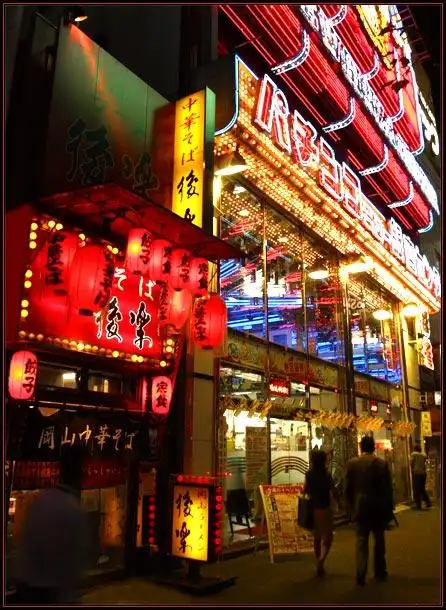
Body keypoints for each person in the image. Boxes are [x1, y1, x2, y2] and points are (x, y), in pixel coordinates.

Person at [14, 444, 87, 604]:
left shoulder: (42, 500)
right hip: (50, 593)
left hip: (28, 587)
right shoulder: (72, 508)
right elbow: (72, 562)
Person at [345, 436, 394, 586]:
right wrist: (389, 509)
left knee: (361, 540)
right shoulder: (381, 464)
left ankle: (361, 573)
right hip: (378, 508)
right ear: (373, 448)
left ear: (361, 447)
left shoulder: (352, 464)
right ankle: (380, 571)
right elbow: (388, 489)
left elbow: (347, 489)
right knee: (379, 539)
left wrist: (350, 507)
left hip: (360, 508)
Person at [304, 449, 339, 577]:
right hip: (325, 508)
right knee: (328, 537)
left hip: (313, 508)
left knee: (317, 537)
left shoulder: (309, 475)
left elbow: (305, 491)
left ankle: (318, 560)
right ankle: (321, 560)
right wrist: (340, 502)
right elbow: (333, 491)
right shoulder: (327, 475)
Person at [411, 443, 432, 510]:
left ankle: (418, 504)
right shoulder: (423, 455)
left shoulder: (414, 454)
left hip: (417, 474)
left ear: (415, 449)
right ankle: (428, 502)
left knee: (417, 489)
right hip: (423, 473)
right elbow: (424, 462)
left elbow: (411, 463)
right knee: (422, 489)